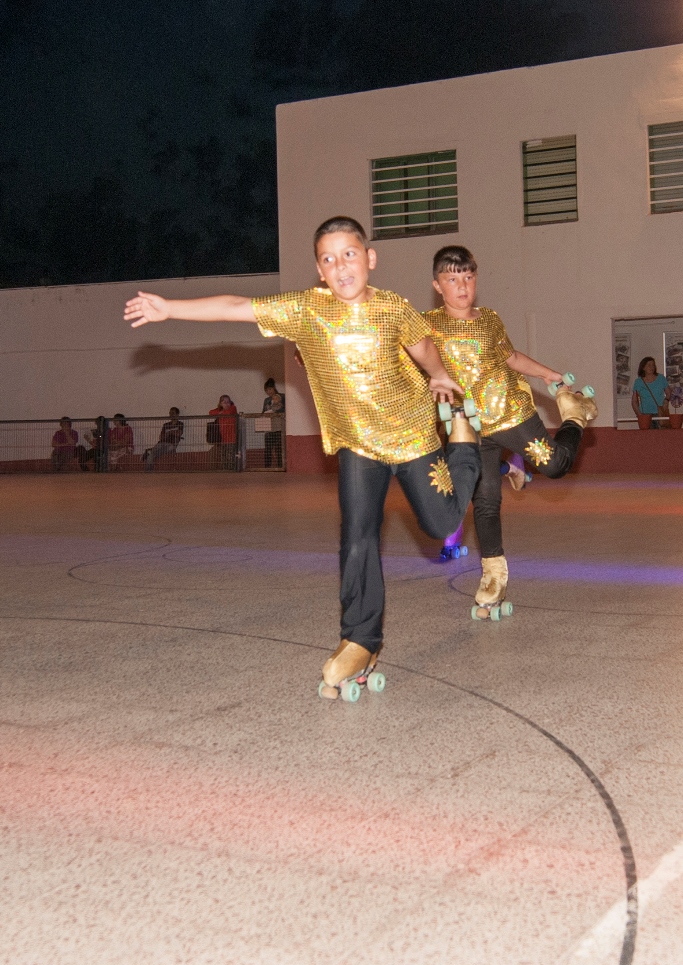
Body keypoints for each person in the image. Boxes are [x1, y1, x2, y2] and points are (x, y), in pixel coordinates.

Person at [125, 216, 480, 696]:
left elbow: (424, 350)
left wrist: (439, 376)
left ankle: (464, 444)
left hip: (414, 433)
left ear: (369, 258)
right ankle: (359, 637)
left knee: (441, 525)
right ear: (319, 268)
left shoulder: (394, 308)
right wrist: (170, 308)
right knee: (356, 539)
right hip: (357, 443)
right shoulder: (304, 310)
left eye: (350, 254)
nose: (341, 267)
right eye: (329, 259)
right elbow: (237, 307)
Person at [425, 245, 598, 617]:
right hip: (467, 426)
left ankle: (576, 417)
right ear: (437, 285)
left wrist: (549, 374)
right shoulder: (426, 326)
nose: (462, 286)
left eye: (468, 277)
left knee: (554, 466)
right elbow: (395, 354)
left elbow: (512, 358)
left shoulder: (488, 319)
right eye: (452, 279)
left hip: (510, 413)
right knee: (484, 501)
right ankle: (493, 577)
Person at [631, 357, 670, 430]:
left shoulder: (661, 378)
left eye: (653, 365)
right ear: (643, 367)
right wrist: (640, 415)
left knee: (662, 437)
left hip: (660, 413)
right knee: (649, 438)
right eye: (649, 365)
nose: (652, 367)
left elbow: (668, 393)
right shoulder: (638, 382)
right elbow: (634, 401)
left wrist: (666, 400)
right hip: (646, 414)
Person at [142, 407, 184, 472]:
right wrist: (172, 432)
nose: (171, 415)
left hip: (172, 444)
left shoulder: (180, 424)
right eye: (170, 413)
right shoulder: (166, 425)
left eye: (173, 413)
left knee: (168, 449)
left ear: (177, 414)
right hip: (162, 443)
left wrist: (169, 432)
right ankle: (148, 471)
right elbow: (161, 437)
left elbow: (179, 433)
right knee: (152, 454)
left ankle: (150, 451)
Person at [209, 395, 238, 470]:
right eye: (224, 402)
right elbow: (211, 412)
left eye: (228, 402)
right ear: (220, 404)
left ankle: (232, 473)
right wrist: (221, 412)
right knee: (223, 458)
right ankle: (226, 473)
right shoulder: (219, 410)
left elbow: (229, 412)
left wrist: (221, 413)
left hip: (232, 439)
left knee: (231, 458)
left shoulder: (233, 408)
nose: (226, 404)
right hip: (222, 439)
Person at [262, 378, 285, 468]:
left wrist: (275, 412)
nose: (268, 392)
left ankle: (280, 467)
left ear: (274, 388)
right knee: (268, 449)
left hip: (279, 426)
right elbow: (263, 411)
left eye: (270, 389)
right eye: (266, 390)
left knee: (279, 449)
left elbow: (284, 409)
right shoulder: (266, 400)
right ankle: (267, 467)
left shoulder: (282, 397)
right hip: (269, 427)